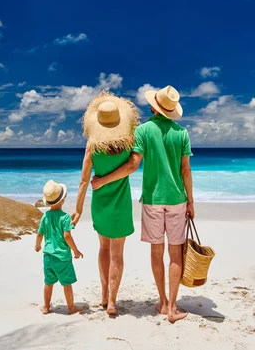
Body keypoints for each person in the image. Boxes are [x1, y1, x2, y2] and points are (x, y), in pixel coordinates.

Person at [91, 85, 194, 324]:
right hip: (177, 200)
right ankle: (173, 307)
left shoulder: (143, 131)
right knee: (175, 253)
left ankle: (161, 301)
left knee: (156, 252)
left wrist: (103, 180)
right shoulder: (182, 133)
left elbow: (132, 165)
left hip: (152, 200)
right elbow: (185, 169)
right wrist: (190, 200)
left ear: (153, 106)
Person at [72, 92, 139, 316]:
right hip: (121, 205)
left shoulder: (92, 147)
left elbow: (83, 180)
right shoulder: (129, 144)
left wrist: (78, 209)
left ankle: (103, 295)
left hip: (99, 204)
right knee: (117, 253)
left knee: (103, 248)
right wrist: (107, 180)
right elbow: (131, 168)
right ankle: (111, 301)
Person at [35, 180, 84, 315]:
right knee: (66, 283)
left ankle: (45, 307)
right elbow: (67, 236)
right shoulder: (65, 217)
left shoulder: (46, 216)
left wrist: (37, 245)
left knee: (48, 282)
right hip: (62, 257)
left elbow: (40, 233)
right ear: (62, 200)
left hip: (48, 256)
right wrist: (76, 250)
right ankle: (71, 307)